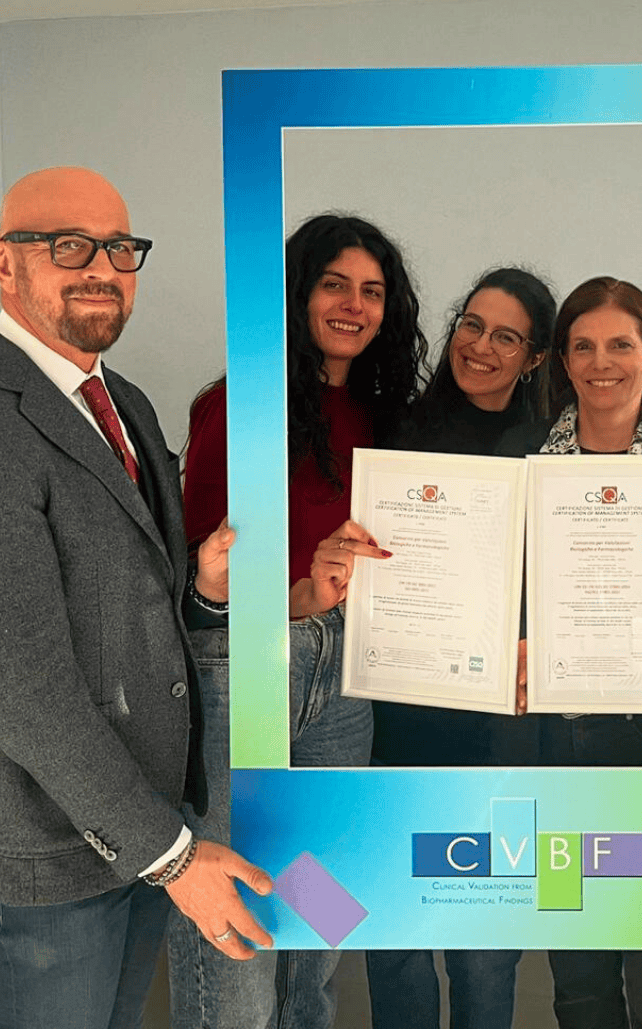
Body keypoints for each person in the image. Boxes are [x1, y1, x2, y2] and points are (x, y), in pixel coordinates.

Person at [0, 166, 273, 1029]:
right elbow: (25, 695)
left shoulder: (123, 403)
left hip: (139, 822)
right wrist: (173, 858)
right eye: (69, 246)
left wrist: (203, 590)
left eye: (120, 249)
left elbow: (133, 607)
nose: (102, 269)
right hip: (50, 847)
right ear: (3, 263)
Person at [167, 214, 427, 1029]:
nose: (354, 305)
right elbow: (200, 571)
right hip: (247, 664)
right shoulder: (237, 403)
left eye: (372, 292)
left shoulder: (384, 415)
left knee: (320, 904)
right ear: (296, 294)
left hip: (347, 674)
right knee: (239, 906)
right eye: (334, 285)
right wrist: (299, 595)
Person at [498, 276, 642, 1029]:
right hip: (554, 748)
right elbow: (494, 589)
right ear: (563, 361)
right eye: (583, 346)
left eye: (621, 345)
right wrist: (507, 653)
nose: (602, 363)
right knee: (580, 978)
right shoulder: (516, 457)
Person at [365, 266, 555, 1029]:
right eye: (471, 325)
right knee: (396, 931)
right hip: (397, 715)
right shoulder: (395, 430)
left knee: (486, 943)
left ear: (534, 358)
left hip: (502, 727)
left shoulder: (553, 449)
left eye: (506, 337)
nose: (480, 346)